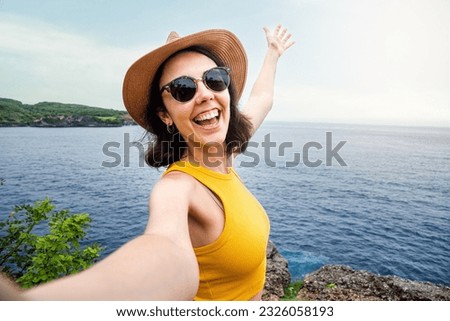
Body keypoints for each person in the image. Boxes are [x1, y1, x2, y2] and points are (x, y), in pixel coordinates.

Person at [0, 24, 293, 301]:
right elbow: (165, 251)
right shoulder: (178, 188)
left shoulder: (225, 155)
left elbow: (262, 98)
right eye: (182, 89)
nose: (205, 94)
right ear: (165, 114)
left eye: (215, 79)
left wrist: (273, 52)